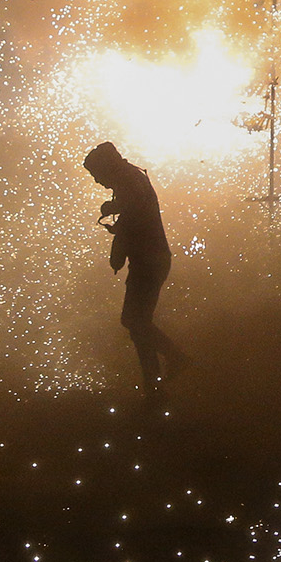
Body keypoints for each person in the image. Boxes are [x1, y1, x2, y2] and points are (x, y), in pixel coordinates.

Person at [83, 141, 188, 396]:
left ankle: (172, 363)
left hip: (148, 261)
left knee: (133, 320)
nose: (97, 181)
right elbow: (136, 213)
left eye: (97, 175)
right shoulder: (131, 179)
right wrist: (116, 211)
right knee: (138, 323)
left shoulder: (128, 182)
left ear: (107, 167)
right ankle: (153, 384)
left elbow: (133, 218)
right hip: (149, 260)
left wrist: (117, 246)